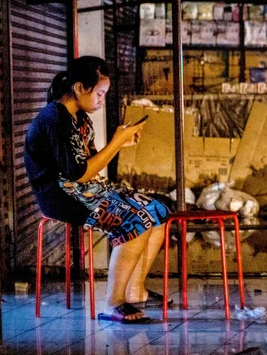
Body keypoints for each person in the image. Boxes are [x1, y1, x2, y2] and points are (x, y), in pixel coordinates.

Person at [24, 56, 174, 324]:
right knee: (133, 219)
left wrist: (122, 144)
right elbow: (79, 172)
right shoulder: (54, 119)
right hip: (62, 196)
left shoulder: (79, 117)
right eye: (100, 93)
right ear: (81, 88)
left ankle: (134, 289)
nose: (102, 100)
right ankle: (113, 303)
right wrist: (116, 142)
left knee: (158, 208)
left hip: (86, 189)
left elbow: (91, 162)